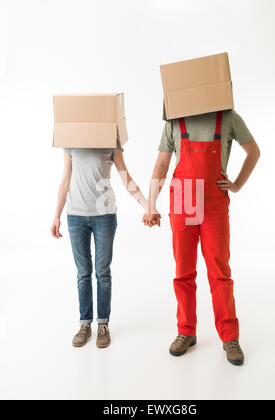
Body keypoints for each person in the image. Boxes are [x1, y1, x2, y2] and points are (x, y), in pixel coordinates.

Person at [143, 110, 260, 366]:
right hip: (183, 198)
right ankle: (186, 331)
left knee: (219, 272)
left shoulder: (227, 117)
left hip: (214, 202)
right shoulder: (175, 119)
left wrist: (237, 184)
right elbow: (162, 165)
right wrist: (151, 204)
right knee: (183, 271)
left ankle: (230, 337)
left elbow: (254, 151)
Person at [51, 145, 146, 348]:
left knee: (102, 272)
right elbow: (66, 180)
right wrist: (56, 216)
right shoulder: (71, 141)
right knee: (83, 273)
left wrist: (148, 206)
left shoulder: (110, 140)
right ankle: (85, 324)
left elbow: (125, 177)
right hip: (76, 216)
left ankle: (103, 324)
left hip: (104, 217)